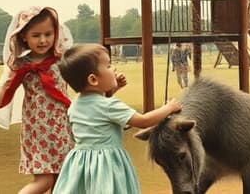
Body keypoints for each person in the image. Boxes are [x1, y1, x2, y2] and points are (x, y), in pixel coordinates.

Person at [0, 6, 75, 194]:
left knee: (63, 180)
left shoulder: (62, 60)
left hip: (63, 127)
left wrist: (111, 87)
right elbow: (3, 87)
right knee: (44, 180)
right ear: (24, 36)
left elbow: (86, 83)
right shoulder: (21, 64)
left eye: (48, 34)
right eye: (36, 35)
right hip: (37, 130)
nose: (43, 40)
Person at [52, 44, 182, 194]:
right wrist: (169, 108)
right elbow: (144, 121)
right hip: (107, 164)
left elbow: (95, 110)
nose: (113, 69)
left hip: (81, 163)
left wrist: (113, 89)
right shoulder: (109, 105)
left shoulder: (75, 103)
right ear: (93, 79)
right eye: (108, 66)